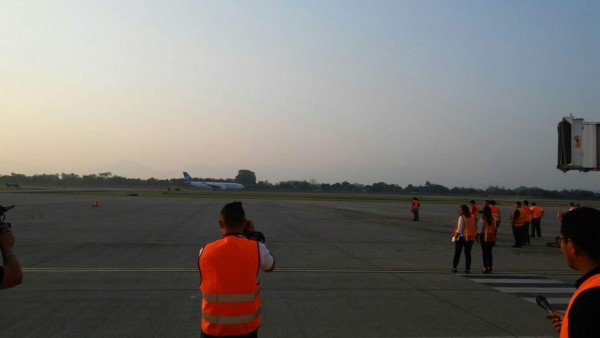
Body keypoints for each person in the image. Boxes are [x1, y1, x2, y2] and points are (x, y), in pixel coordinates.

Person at [198, 202, 275, 338]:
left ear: (220, 224)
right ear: (244, 223)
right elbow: (270, 266)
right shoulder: (256, 248)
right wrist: (255, 238)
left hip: (212, 330)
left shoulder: (204, 251)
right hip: (246, 330)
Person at [545, 207, 600, 337]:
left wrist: (580, 320)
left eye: (561, 240)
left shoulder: (589, 299)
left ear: (571, 245)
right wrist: (572, 324)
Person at [451, 204, 476, 273]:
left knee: (457, 253)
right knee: (468, 254)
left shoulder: (461, 217)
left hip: (461, 237)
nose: (459, 211)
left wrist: (454, 238)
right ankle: (467, 269)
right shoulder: (472, 217)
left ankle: (454, 267)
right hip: (470, 238)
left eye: (460, 210)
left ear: (463, 211)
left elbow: (459, 230)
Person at [477, 206, 496, 273]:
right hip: (491, 237)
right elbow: (494, 227)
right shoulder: (493, 218)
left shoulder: (482, 219)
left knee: (484, 253)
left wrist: (477, 237)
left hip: (484, 237)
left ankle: (485, 267)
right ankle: (490, 267)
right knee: (489, 253)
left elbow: (479, 230)